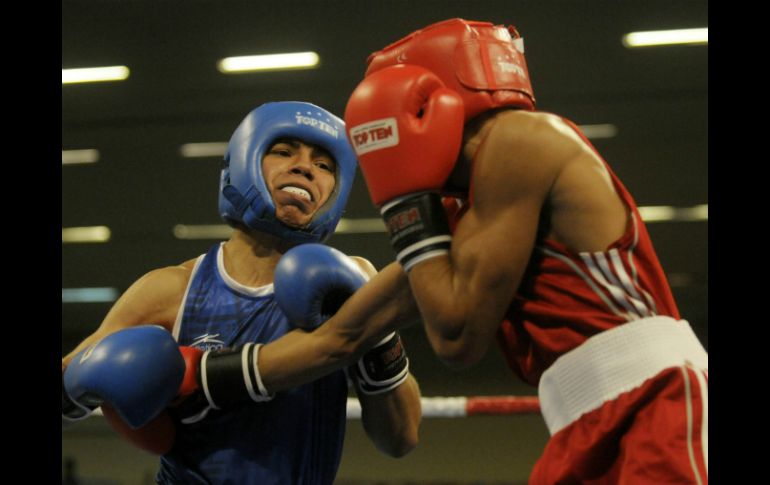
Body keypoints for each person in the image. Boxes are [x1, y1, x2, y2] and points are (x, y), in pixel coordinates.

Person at [343, 18, 708, 484]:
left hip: (656, 400)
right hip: (581, 423)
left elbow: (455, 336)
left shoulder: (522, 140)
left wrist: (404, 203)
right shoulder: (469, 218)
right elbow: (342, 335)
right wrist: (228, 373)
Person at [61, 101, 422, 485]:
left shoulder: (353, 280)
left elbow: (400, 438)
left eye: (324, 165)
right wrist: (81, 384)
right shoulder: (171, 289)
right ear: (244, 160)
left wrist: (378, 338)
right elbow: (74, 376)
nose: (304, 167)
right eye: (284, 152)